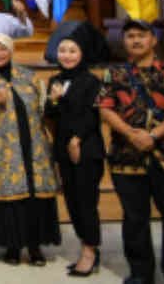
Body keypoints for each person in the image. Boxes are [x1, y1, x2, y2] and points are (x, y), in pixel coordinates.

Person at [0, 33, 59, 266]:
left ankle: (35, 248)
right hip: (0, 150)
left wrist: (54, 100)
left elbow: (44, 108)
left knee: (34, 197)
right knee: (8, 199)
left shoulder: (29, 76)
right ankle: (12, 247)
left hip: (33, 147)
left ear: (11, 50)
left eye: (2, 48)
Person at [97, 19, 164, 284]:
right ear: (124, 41)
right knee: (135, 218)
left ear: (153, 39)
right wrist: (131, 134)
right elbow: (105, 108)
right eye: (130, 36)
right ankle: (141, 273)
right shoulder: (115, 73)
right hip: (125, 157)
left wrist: (153, 135)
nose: (136, 40)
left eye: (142, 35)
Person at [44, 35, 105, 276]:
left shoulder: (91, 81)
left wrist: (76, 139)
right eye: (62, 50)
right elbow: (51, 114)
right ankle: (87, 246)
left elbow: (92, 115)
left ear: (82, 54)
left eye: (72, 50)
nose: (67, 55)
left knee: (86, 202)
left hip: (86, 147)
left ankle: (89, 251)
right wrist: (53, 100)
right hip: (63, 148)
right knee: (72, 201)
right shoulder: (55, 80)